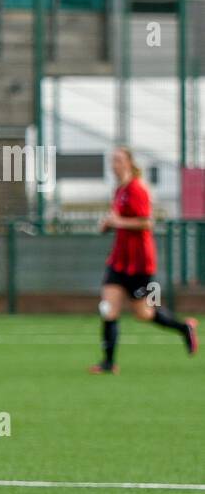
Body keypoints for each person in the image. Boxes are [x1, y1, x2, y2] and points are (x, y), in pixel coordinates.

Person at [90, 146, 197, 374]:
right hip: (118, 261)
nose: (114, 164)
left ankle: (184, 328)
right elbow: (119, 220)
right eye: (112, 160)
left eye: (118, 160)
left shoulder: (138, 189)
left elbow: (147, 222)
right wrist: (108, 224)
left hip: (139, 263)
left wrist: (118, 222)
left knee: (144, 313)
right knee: (108, 308)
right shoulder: (119, 190)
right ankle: (109, 363)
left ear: (129, 162)